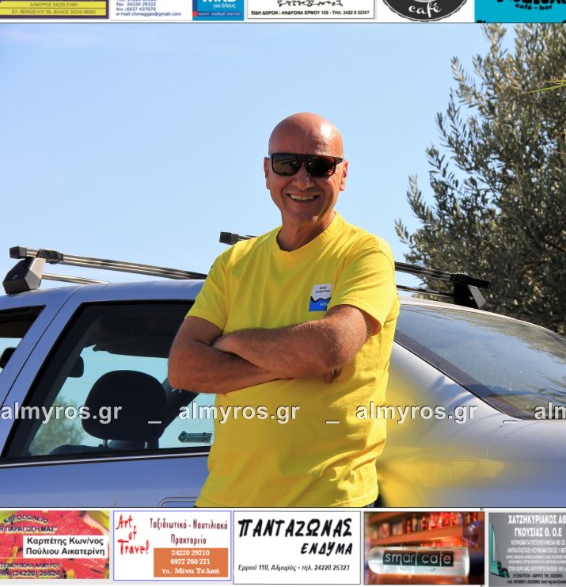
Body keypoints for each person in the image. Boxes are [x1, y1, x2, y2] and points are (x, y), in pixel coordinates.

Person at [168, 112, 399, 507]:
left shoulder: (366, 254)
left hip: (326, 512)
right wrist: (293, 362)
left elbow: (329, 347)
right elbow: (183, 368)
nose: (303, 179)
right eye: (287, 164)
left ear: (343, 175)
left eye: (320, 165)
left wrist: (231, 342)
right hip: (223, 508)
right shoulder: (234, 262)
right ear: (267, 172)